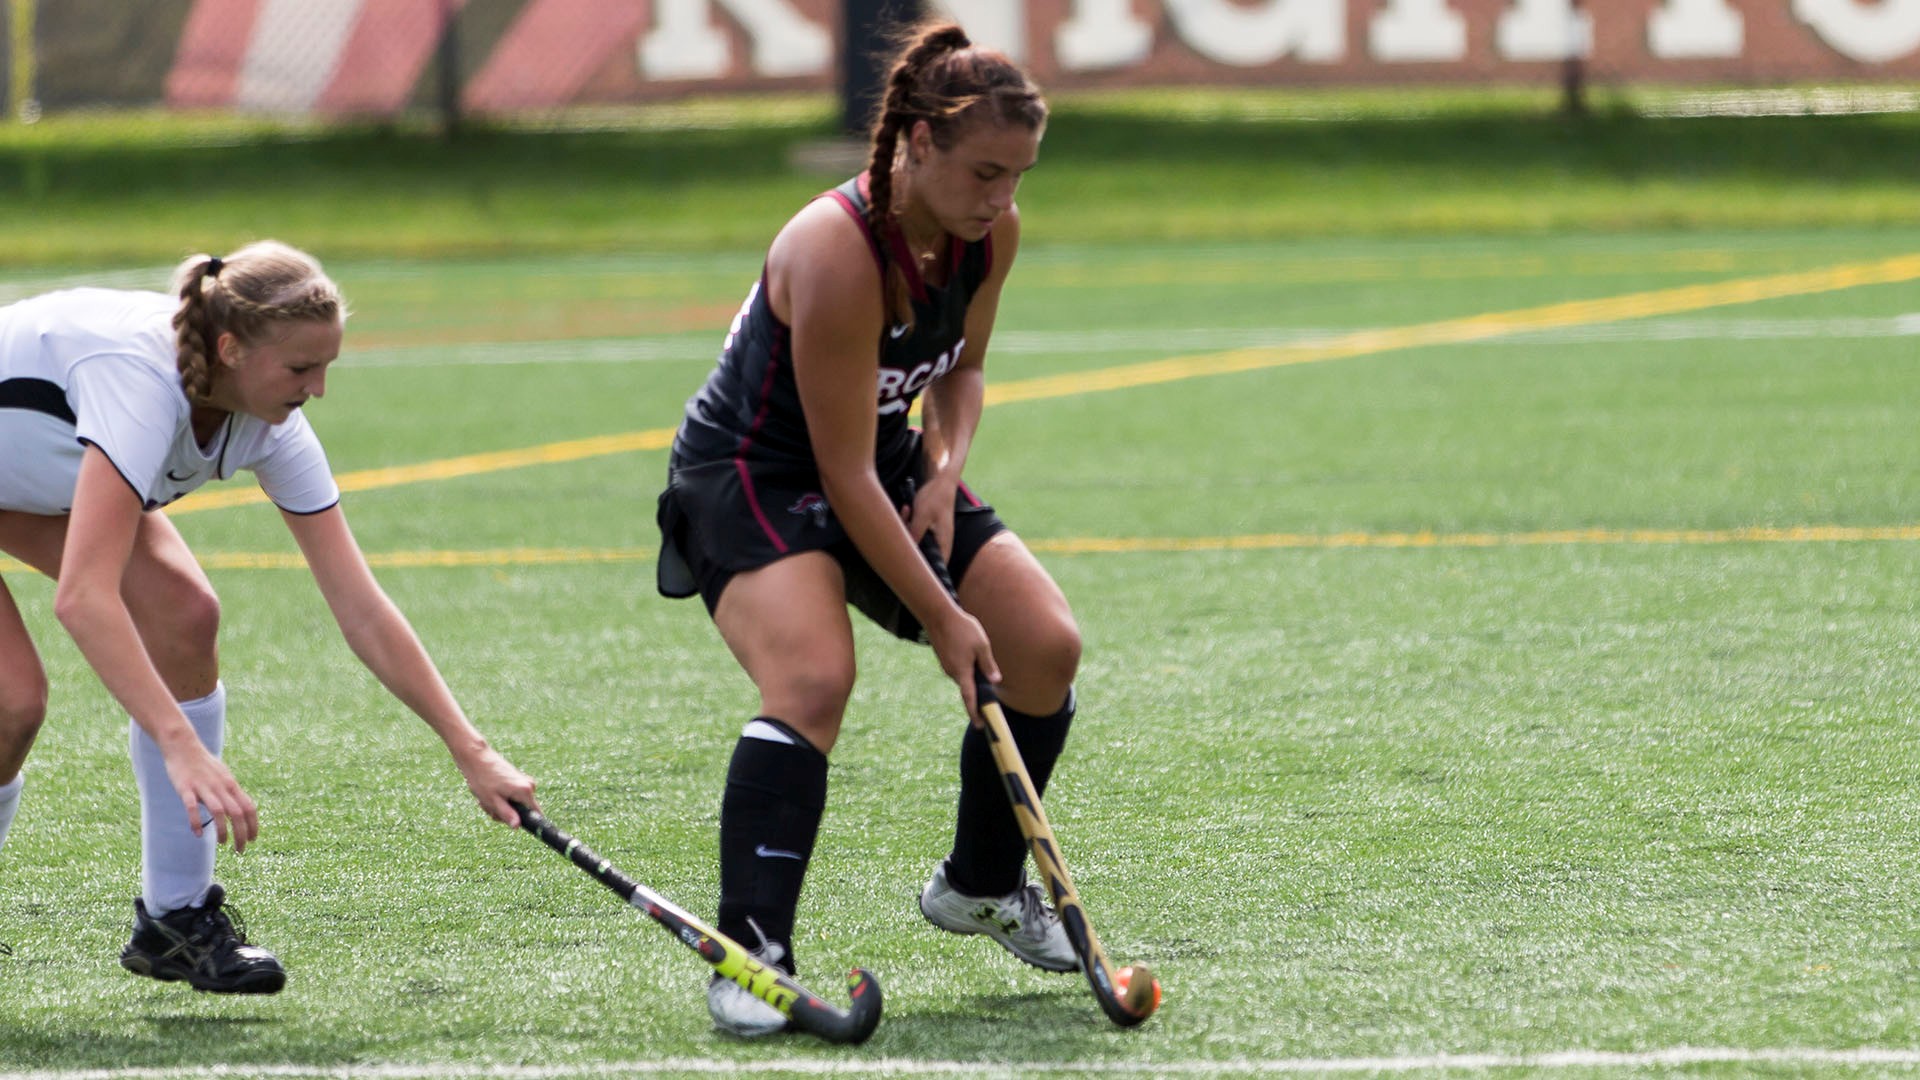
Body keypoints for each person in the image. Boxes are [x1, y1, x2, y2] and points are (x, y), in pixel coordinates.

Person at [655, 22, 1082, 1036]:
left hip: (879, 456)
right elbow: (841, 478)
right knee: (812, 680)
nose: (1001, 199)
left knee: (1042, 647)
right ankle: (752, 961)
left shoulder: (989, 234)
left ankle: (978, 889)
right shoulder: (835, 249)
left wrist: (944, 472)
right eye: (985, 172)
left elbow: (962, 371)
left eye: (1018, 177)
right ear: (918, 144)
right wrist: (940, 615)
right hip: (752, 471)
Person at [0, 241, 538, 993]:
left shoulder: (268, 420)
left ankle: (174, 925)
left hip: (26, 474)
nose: (317, 389)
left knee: (186, 616)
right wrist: (181, 744)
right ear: (230, 348)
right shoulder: (139, 385)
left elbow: (361, 608)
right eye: (299, 370)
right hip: (25, 468)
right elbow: (84, 600)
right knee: (11, 701)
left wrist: (470, 748)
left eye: (326, 368)